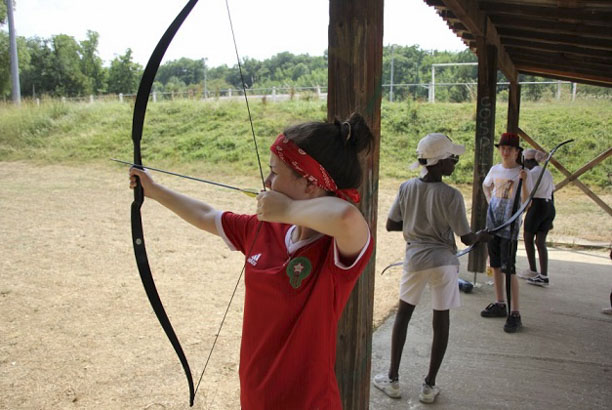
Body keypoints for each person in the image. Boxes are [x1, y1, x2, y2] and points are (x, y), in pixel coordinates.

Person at [129, 113, 375, 409]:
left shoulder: (334, 250)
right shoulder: (263, 229)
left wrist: (286, 211)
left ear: (310, 184)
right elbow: (207, 215)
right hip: (256, 396)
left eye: (275, 173)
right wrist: (153, 190)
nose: (267, 181)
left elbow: (347, 217)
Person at [373, 133, 490, 404]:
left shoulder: (406, 188)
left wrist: (416, 225)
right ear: (437, 163)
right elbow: (467, 238)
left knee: (403, 316)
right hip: (444, 263)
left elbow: (392, 224)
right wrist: (483, 235)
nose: (455, 163)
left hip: (415, 260)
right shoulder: (452, 195)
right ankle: (429, 386)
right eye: (452, 158)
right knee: (441, 320)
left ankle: (392, 379)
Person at [480, 132, 533, 333]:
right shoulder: (495, 169)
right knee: (495, 266)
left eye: (509, 148)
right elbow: (486, 187)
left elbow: (527, 202)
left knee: (508, 268)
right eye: (502, 148)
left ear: (517, 152)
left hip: (510, 227)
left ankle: (515, 312)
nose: (505, 151)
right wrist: (490, 202)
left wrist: (525, 182)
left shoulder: (522, 173)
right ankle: (500, 302)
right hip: (493, 224)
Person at [518, 149, 555, 287]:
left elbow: (526, 193)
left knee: (528, 238)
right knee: (540, 242)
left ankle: (533, 270)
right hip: (549, 206)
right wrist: (551, 218)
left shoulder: (531, 173)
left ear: (528, 161)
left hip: (537, 206)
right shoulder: (547, 172)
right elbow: (552, 193)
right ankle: (544, 275)